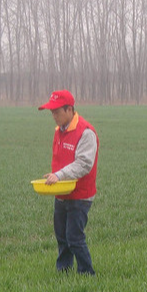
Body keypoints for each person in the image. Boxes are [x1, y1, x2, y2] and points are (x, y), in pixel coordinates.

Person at [38, 90, 99, 274]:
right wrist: (55, 175)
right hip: (61, 192)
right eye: (52, 112)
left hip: (80, 195)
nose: (53, 116)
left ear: (70, 109)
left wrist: (60, 175)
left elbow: (83, 164)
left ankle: (86, 273)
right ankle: (63, 271)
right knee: (62, 237)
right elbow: (62, 160)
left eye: (57, 111)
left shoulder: (85, 132)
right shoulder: (59, 131)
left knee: (74, 237)